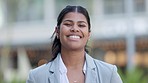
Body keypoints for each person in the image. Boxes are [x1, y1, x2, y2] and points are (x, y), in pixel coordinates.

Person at [26, 5, 122, 83]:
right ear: (57, 31)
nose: (75, 29)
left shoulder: (108, 73)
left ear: (89, 34)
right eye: (68, 24)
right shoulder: (37, 77)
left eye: (81, 25)